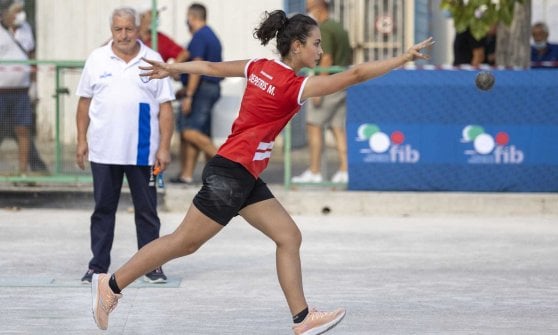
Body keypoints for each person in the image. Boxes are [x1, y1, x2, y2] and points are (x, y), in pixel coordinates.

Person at [90, 9, 433, 334]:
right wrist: (401, 59)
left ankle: (302, 319)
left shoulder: (259, 66)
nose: (320, 50)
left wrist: (173, 67)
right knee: (183, 242)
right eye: (315, 44)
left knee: (288, 236)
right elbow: (354, 75)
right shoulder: (293, 86)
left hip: (241, 173)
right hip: (231, 174)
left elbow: (210, 66)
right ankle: (112, 284)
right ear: (297, 46)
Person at [75, 7, 175, 285]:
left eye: (129, 29)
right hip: (103, 150)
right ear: (111, 31)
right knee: (103, 210)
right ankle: (97, 267)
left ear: (138, 30)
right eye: (118, 29)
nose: (124, 35)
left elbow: (166, 108)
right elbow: (84, 103)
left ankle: (152, 266)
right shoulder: (97, 59)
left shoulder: (153, 59)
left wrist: (164, 147)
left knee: (147, 211)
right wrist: (81, 140)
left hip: (142, 152)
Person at [292, 0, 351, 184]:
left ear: (320, 6)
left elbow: (326, 58)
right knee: (338, 129)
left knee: (313, 126)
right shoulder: (339, 27)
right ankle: (345, 170)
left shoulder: (324, 28)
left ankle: (315, 171)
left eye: (310, 9)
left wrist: (318, 90)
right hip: (341, 84)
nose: (310, 13)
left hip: (327, 85)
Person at [171, 3, 221, 185]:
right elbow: (187, 55)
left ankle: (229, 166)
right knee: (197, 131)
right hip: (205, 88)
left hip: (202, 89)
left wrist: (190, 94)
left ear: (192, 17)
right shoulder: (207, 35)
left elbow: (197, 68)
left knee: (190, 132)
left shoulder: (201, 36)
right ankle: (187, 174)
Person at [0, 0, 33, 175]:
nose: (21, 14)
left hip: (21, 90)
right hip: (1, 91)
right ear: (6, 13)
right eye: (17, 11)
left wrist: (33, 85)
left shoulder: (26, 28)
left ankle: (23, 171)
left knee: (23, 129)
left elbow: (31, 55)